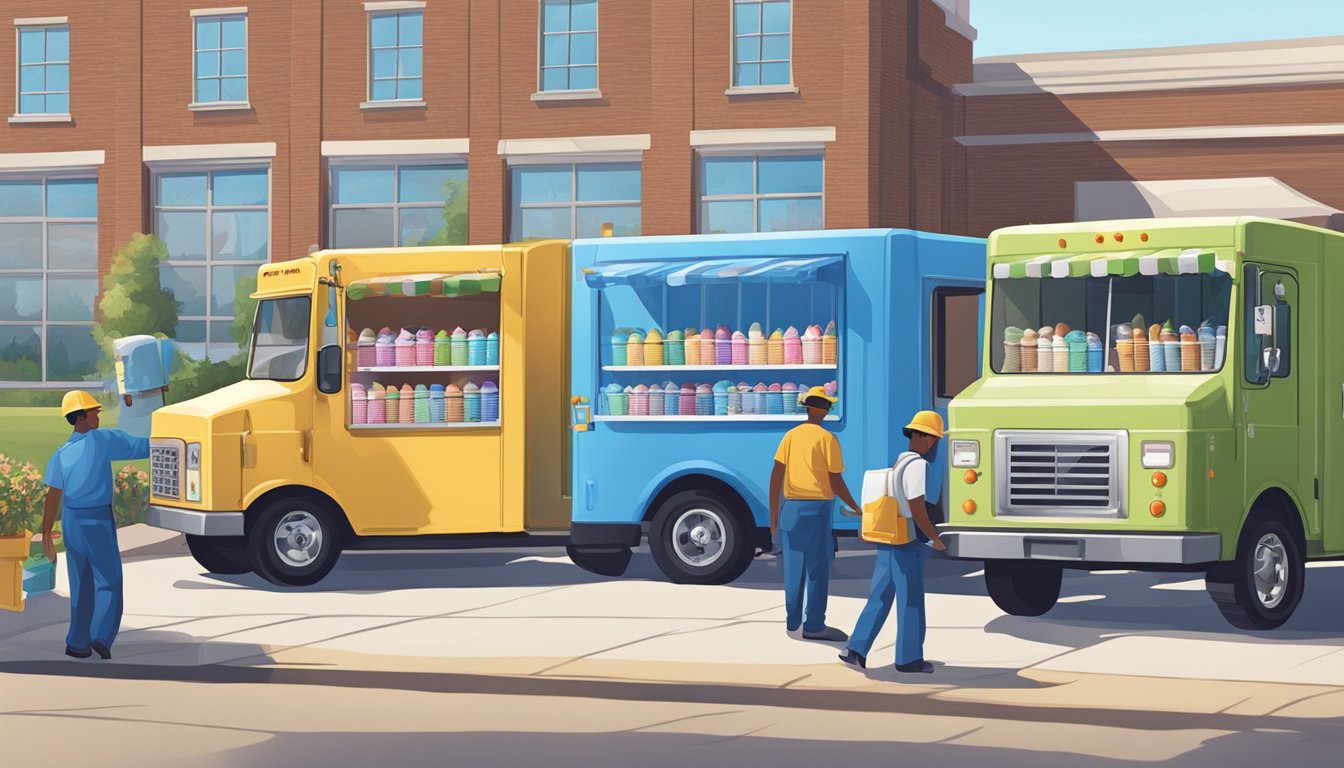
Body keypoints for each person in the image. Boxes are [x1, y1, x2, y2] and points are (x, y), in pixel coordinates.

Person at [41, 391, 151, 660]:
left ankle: (78, 643)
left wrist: (45, 534)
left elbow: (53, 495)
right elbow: (141, 446)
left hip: (71, 522)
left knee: (81, 583)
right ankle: (101, 636)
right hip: (96, 519)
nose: (98, 414)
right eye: (94, 411)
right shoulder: (101, 439)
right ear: (81, 417)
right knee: (109, 580)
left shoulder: (61, 453)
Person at [839, 410, 946, 674]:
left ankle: (855, 649)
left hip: (886, 537)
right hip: (905, 539)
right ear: (925, 439)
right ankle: (908, 659)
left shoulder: (899, 461)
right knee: (910, 600)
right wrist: (934, 539)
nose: (934, 445)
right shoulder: (919, 466)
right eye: (934, 439)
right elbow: (917, 508)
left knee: (880, 595)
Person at [767, 386, 862, 642]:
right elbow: (835, 480)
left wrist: (773, 517)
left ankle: (792, 622)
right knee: (817, 569)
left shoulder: (791, 436)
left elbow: (776, 476)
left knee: (793, 568)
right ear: (824, 410)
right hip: (817, 509)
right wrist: (855, 506)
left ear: (808, 408)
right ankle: (815, 625)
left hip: (791, 510)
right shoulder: (828, 439)